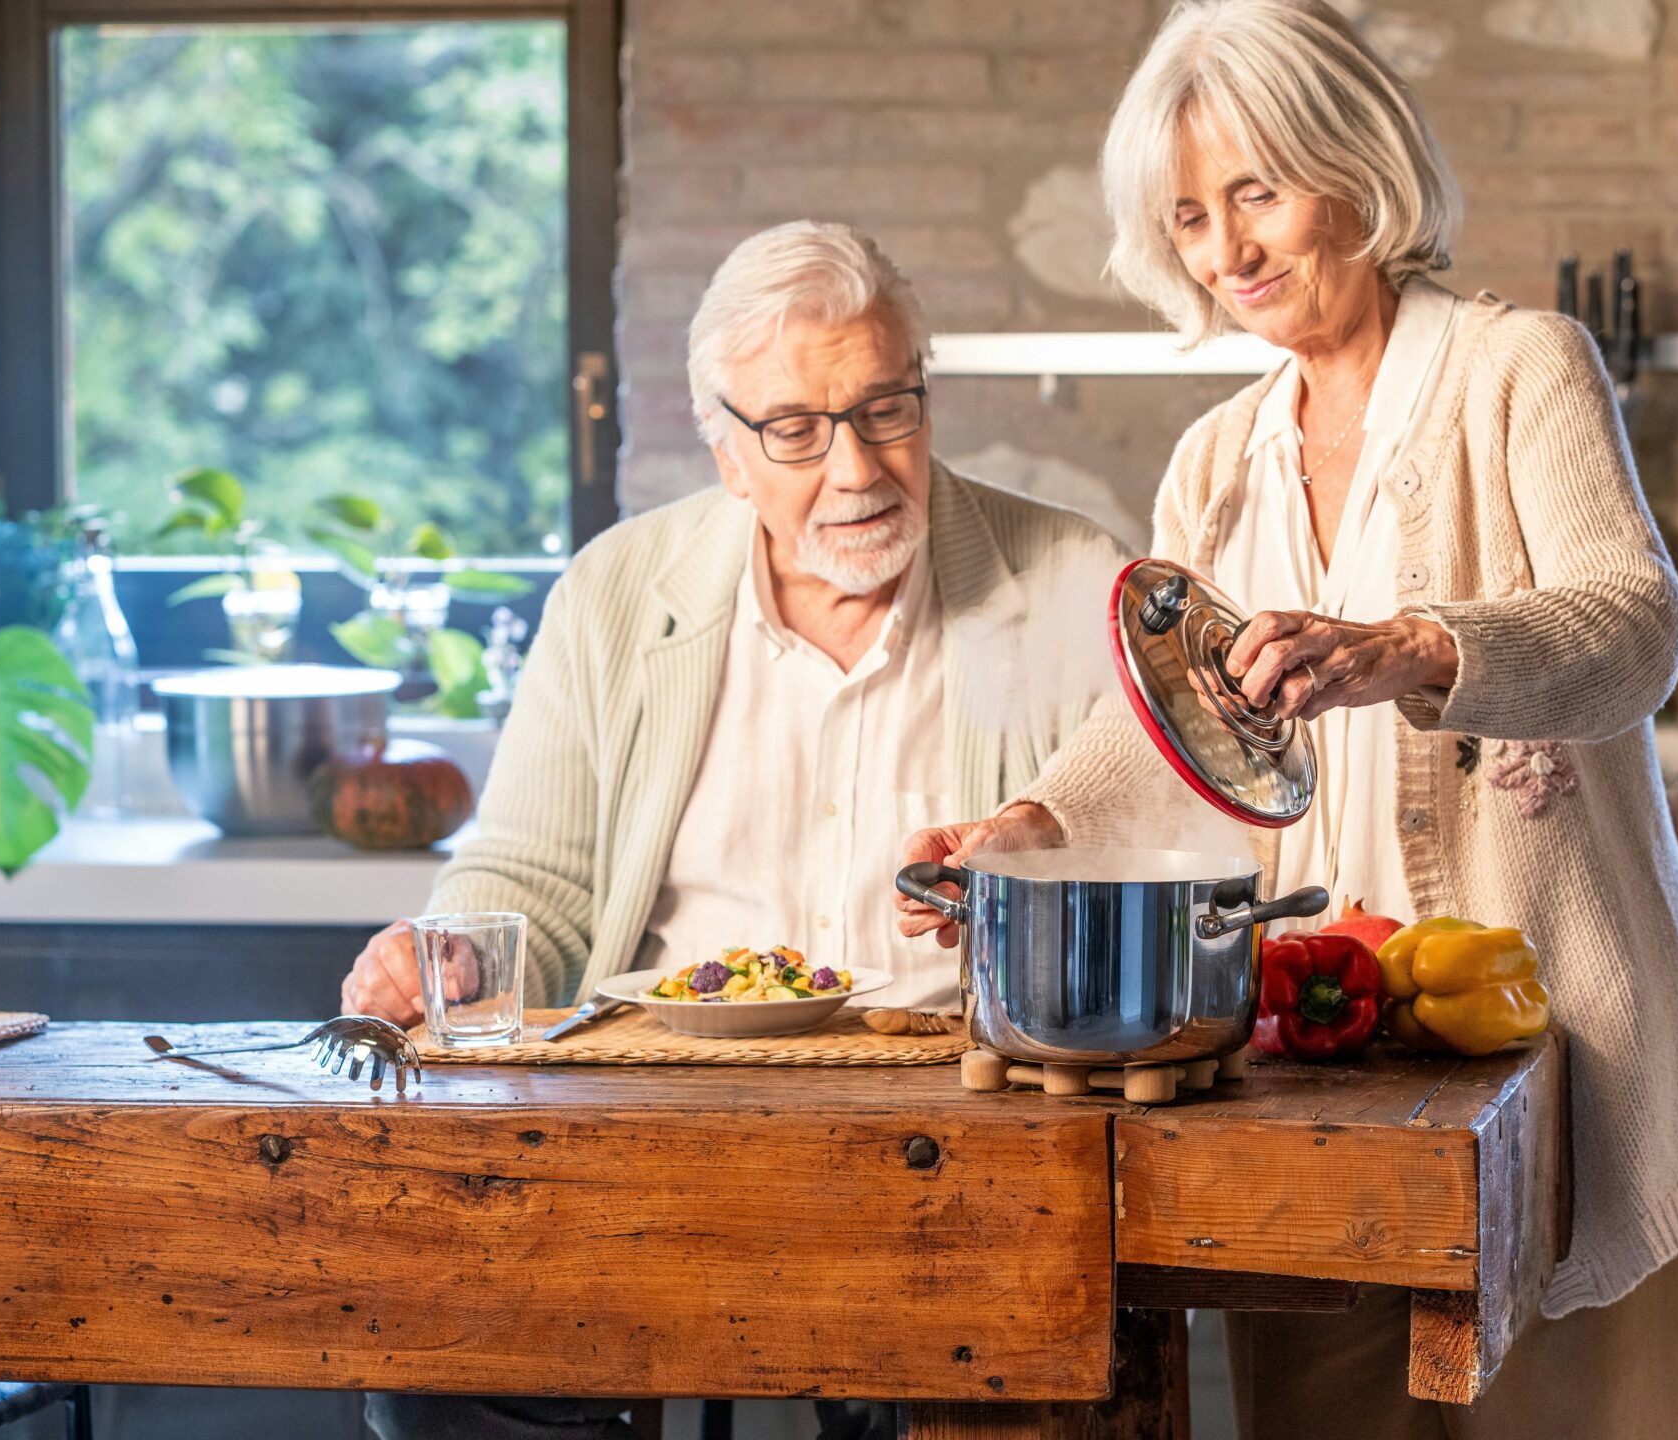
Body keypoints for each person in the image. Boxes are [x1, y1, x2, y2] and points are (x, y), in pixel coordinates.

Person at [898, 3, 1678, 1436]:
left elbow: (1634, 626)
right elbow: (1184, 738)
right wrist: (1032, 830)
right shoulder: (1217, 463)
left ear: (1357, 172)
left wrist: (1411, 649)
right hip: (1319, 1088)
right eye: (1190, 215)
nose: (1225, 250)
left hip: (1565, 1076)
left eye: (1257, 192)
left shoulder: (1520, 370)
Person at [343, 219, 1119, 1440]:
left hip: (954, 1141)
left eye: (884, 411)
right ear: (727, 453)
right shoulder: (614, 593)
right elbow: (534, 875)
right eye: (797, 431)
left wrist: (1043, 869)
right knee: (437, 1360)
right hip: (642, 1132)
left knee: (978, 1382)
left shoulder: (1071, 578)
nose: (856, 468)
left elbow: (1149, 856)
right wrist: (454, 954)